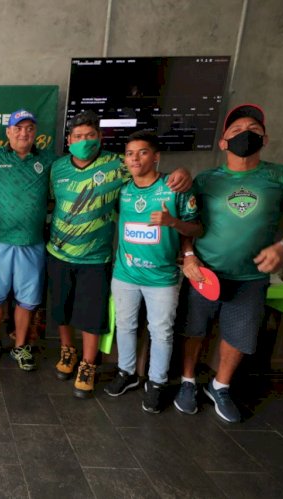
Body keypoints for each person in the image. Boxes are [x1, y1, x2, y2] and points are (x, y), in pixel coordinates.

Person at [47, 110, 191, 398]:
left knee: (90, 316)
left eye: (90, 136)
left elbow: (151, 176)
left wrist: (183, 173)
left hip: (96, 257)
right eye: (78, 137)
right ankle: (67, 352)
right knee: (61, 310)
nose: (83, 141)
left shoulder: (118, 164)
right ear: (69, 140)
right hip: (58, 253)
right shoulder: (58, 168)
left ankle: (88, 365)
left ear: (100, 138)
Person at [175, 104, 283, 423]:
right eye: (236, 130)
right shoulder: (205, 180)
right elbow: (190, 222)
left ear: (265, 138)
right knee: (194, 328)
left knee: (240, 334)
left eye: (254, 130)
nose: (246, 134)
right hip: (205, 271)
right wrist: (189, 256)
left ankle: (221, 386)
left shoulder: (282, 177)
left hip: (252, 276)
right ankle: (188, 382)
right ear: (222, 142)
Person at [103, 131, 201, 413]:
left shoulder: (174, 188)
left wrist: (172, 222)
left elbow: (196, 228)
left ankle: (157, 383)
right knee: (125, 324)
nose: (135, 158)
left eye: (142, 152)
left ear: (156, 157)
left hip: (162, 277)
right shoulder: (121, 189)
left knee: (161, 331)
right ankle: (127, 372)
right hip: (125, 273)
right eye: (130, 153)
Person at [0, 110, 55, 372]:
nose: (24, 133)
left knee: (27, 299)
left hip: (32, 242)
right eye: (18, 128)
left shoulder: (49, 160)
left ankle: (20, 346)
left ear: (36, 132)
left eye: (30, 128)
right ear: (8, 132)